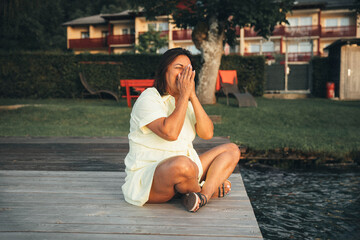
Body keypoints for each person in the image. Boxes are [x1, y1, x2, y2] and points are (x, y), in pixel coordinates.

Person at [122, 48, 240, 212]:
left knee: (232, 149)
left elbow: (207, 133)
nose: (184, 73)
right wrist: (184, 96)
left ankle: (202, 195)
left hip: (188, 169)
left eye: (188, 69)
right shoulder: (149, 98)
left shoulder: (186, 102)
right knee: (182, 164)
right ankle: (205, 190)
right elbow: (170, 133)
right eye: (178, 67)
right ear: (165, 71)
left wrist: (192, 96)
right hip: (151, 178)